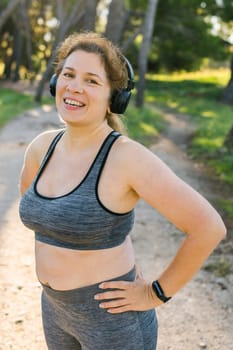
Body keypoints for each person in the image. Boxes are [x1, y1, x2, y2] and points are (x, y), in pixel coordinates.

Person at [19, 31, 226, 350]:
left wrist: (155, 292)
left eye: (91, 80)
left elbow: (208, 227)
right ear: (55, 81)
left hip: (111, 319)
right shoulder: (41, 148)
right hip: (55, 310)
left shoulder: (127, 157)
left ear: (113, 98)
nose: (74, 87)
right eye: (69, 74)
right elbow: (40, 214)